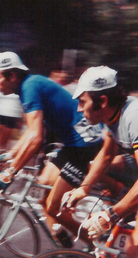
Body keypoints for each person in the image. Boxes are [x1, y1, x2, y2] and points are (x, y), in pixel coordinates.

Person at [0, 51, 103, 246]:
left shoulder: (29, 88)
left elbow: (36, 139)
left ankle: (96, 247)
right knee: (42, 189)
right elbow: (32, 131)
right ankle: (63, 243)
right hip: (74, 145)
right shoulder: (28, 86)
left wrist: (9, 173)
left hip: (84, 146)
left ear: (12, 76)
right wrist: (10, 154)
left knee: (52, 207)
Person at [64, 66, 138, 257]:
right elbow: (106, 155)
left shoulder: (133, 117)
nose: (79, 109)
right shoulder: (112, 116)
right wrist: (84, 188)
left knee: (133, 248)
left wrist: (110, 215)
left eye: (82, 102)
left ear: (102, 101)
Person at [0, 87, 24, 173]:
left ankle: (0, 166)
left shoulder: (18, 85)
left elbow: (23, 102)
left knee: (4, 143)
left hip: (13, 114)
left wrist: (21, 119)